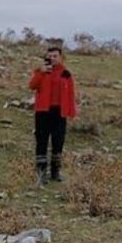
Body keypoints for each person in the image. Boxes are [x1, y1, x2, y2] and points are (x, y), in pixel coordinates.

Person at [28, 46, 79, 185]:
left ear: (60, 57)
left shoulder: (66, 74)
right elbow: (32, 85)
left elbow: (71, 93)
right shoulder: (41, 71)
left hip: (59, 112)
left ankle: (55, 172)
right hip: (43, 111)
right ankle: (41, 173)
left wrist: (72, 112)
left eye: (55, 56)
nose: (52, 58)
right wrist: (40, 73)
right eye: (50, 56)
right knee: (42, 141)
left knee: (58, 142)